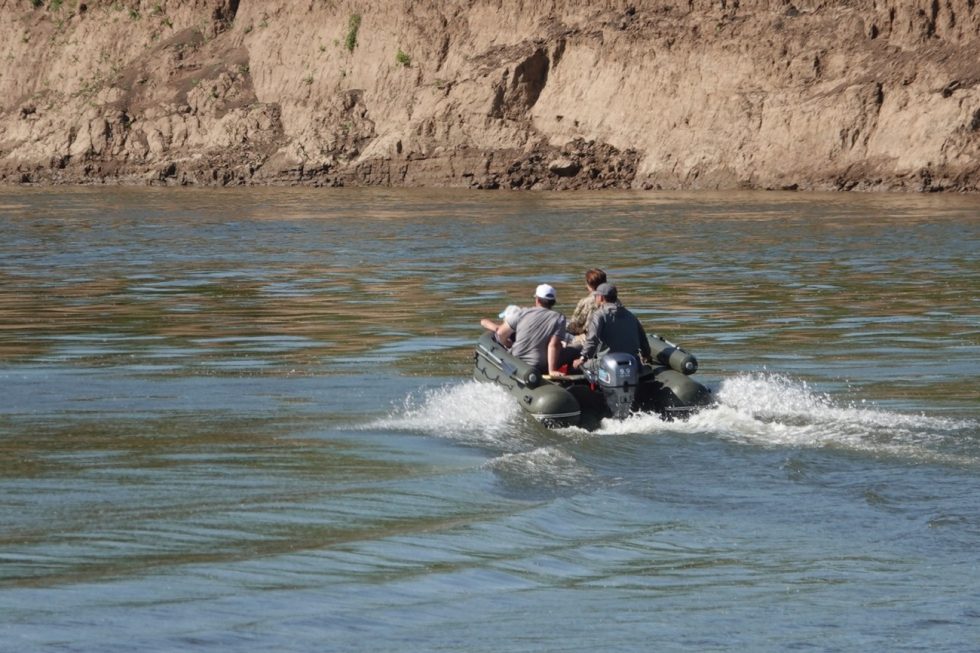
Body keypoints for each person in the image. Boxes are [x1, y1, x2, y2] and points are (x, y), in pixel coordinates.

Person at [572, 283, 652, 371]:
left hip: (607, 363)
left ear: (601, 297)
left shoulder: (599, 315)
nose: (595, 298)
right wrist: (646, 355)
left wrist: (582, 358)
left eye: (596, 296)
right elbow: (643, 340)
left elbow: (592, 339)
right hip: (631, 363)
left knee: (580, 365)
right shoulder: (631, 315)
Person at [495, 284, 568, 376]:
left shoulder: (522, 313)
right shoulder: (559, 318)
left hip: (515, 359)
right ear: (553, 302)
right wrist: (552, 370)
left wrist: (508, 344)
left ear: (537, 300)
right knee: (575, 350)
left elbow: (500, 333)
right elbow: (553, 345)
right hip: (538, 365)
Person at [566, 268, 607, 346]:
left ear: (589, 284)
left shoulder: (586, 301)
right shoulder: (613, 299)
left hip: (589, 338)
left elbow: (575, 325)